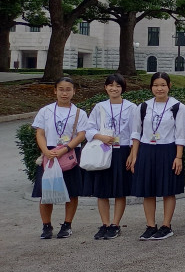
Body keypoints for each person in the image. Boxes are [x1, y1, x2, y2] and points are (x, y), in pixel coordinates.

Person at [129, 72, 185, 240]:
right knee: (148, 191)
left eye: (163, 85)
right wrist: (134, 156)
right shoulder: (143, 107)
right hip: (146, 150)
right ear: (151, 87)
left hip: (168, 150)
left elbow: (180, 134)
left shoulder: (177, 107)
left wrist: (178, 157)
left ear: (169, 86)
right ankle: (150, 225)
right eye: (156, 85)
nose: (159, 88)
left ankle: (166, 225)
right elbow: (136, 133)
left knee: (167, 190)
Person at [31, 77, 88, 239]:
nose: (65, 93)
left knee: (71, 192)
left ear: (74, 91)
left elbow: (81, 135)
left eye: (68, 89)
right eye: (61, 89)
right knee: (46, 191)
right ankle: (46, 226)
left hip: (69, 154)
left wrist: (66, 148)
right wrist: (45, 151)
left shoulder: (79, 113)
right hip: (49, 153)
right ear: (55, 90)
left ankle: (67, 225)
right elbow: (40, 133)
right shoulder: (45, 111)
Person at [83, 74, 138, 240]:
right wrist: (101, 137)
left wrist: (132, 154)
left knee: (120, 190)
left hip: (122, 151)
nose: (114, 88)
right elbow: (89, 129)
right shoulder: (99, 107)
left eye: (118, 86)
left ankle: (115, 224)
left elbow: (135, 132)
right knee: (102, 190)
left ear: (123, 88)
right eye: (111, 85)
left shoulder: (131, 107)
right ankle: (105, 224)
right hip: (103, 149)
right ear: (106, 87)